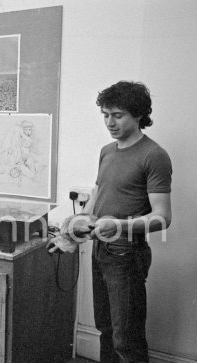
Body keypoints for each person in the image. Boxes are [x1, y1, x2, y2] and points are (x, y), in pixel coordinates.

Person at [82, 81, 172, 362]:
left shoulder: (154, 155)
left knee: (127, 338)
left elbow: (163, 217)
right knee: (105, 329)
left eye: (118, 115)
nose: (110, 122)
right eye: (105, 115)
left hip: (126, 254)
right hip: (101, 250)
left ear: (138, 115)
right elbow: (99, 191)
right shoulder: (107, 150)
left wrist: (118, 226)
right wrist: (82, 219)